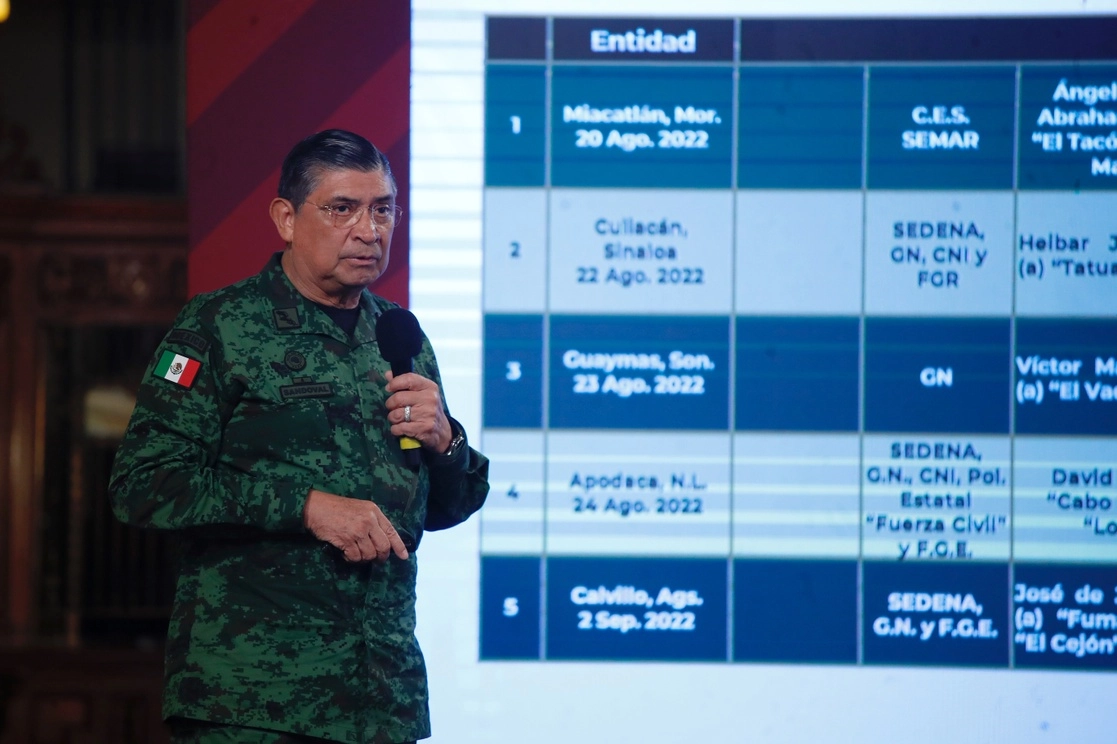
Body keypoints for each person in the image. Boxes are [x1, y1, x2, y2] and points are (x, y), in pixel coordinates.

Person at [109, 129, 490, 744]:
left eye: (383, 208)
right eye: (342, 209)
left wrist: (446, 444)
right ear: (286, 218)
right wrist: (306, 508)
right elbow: (145, 483)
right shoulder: (220, 326)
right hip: (254, 702)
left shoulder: (400, 335)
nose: (369, 230)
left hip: (381, 700)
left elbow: (441, 507)